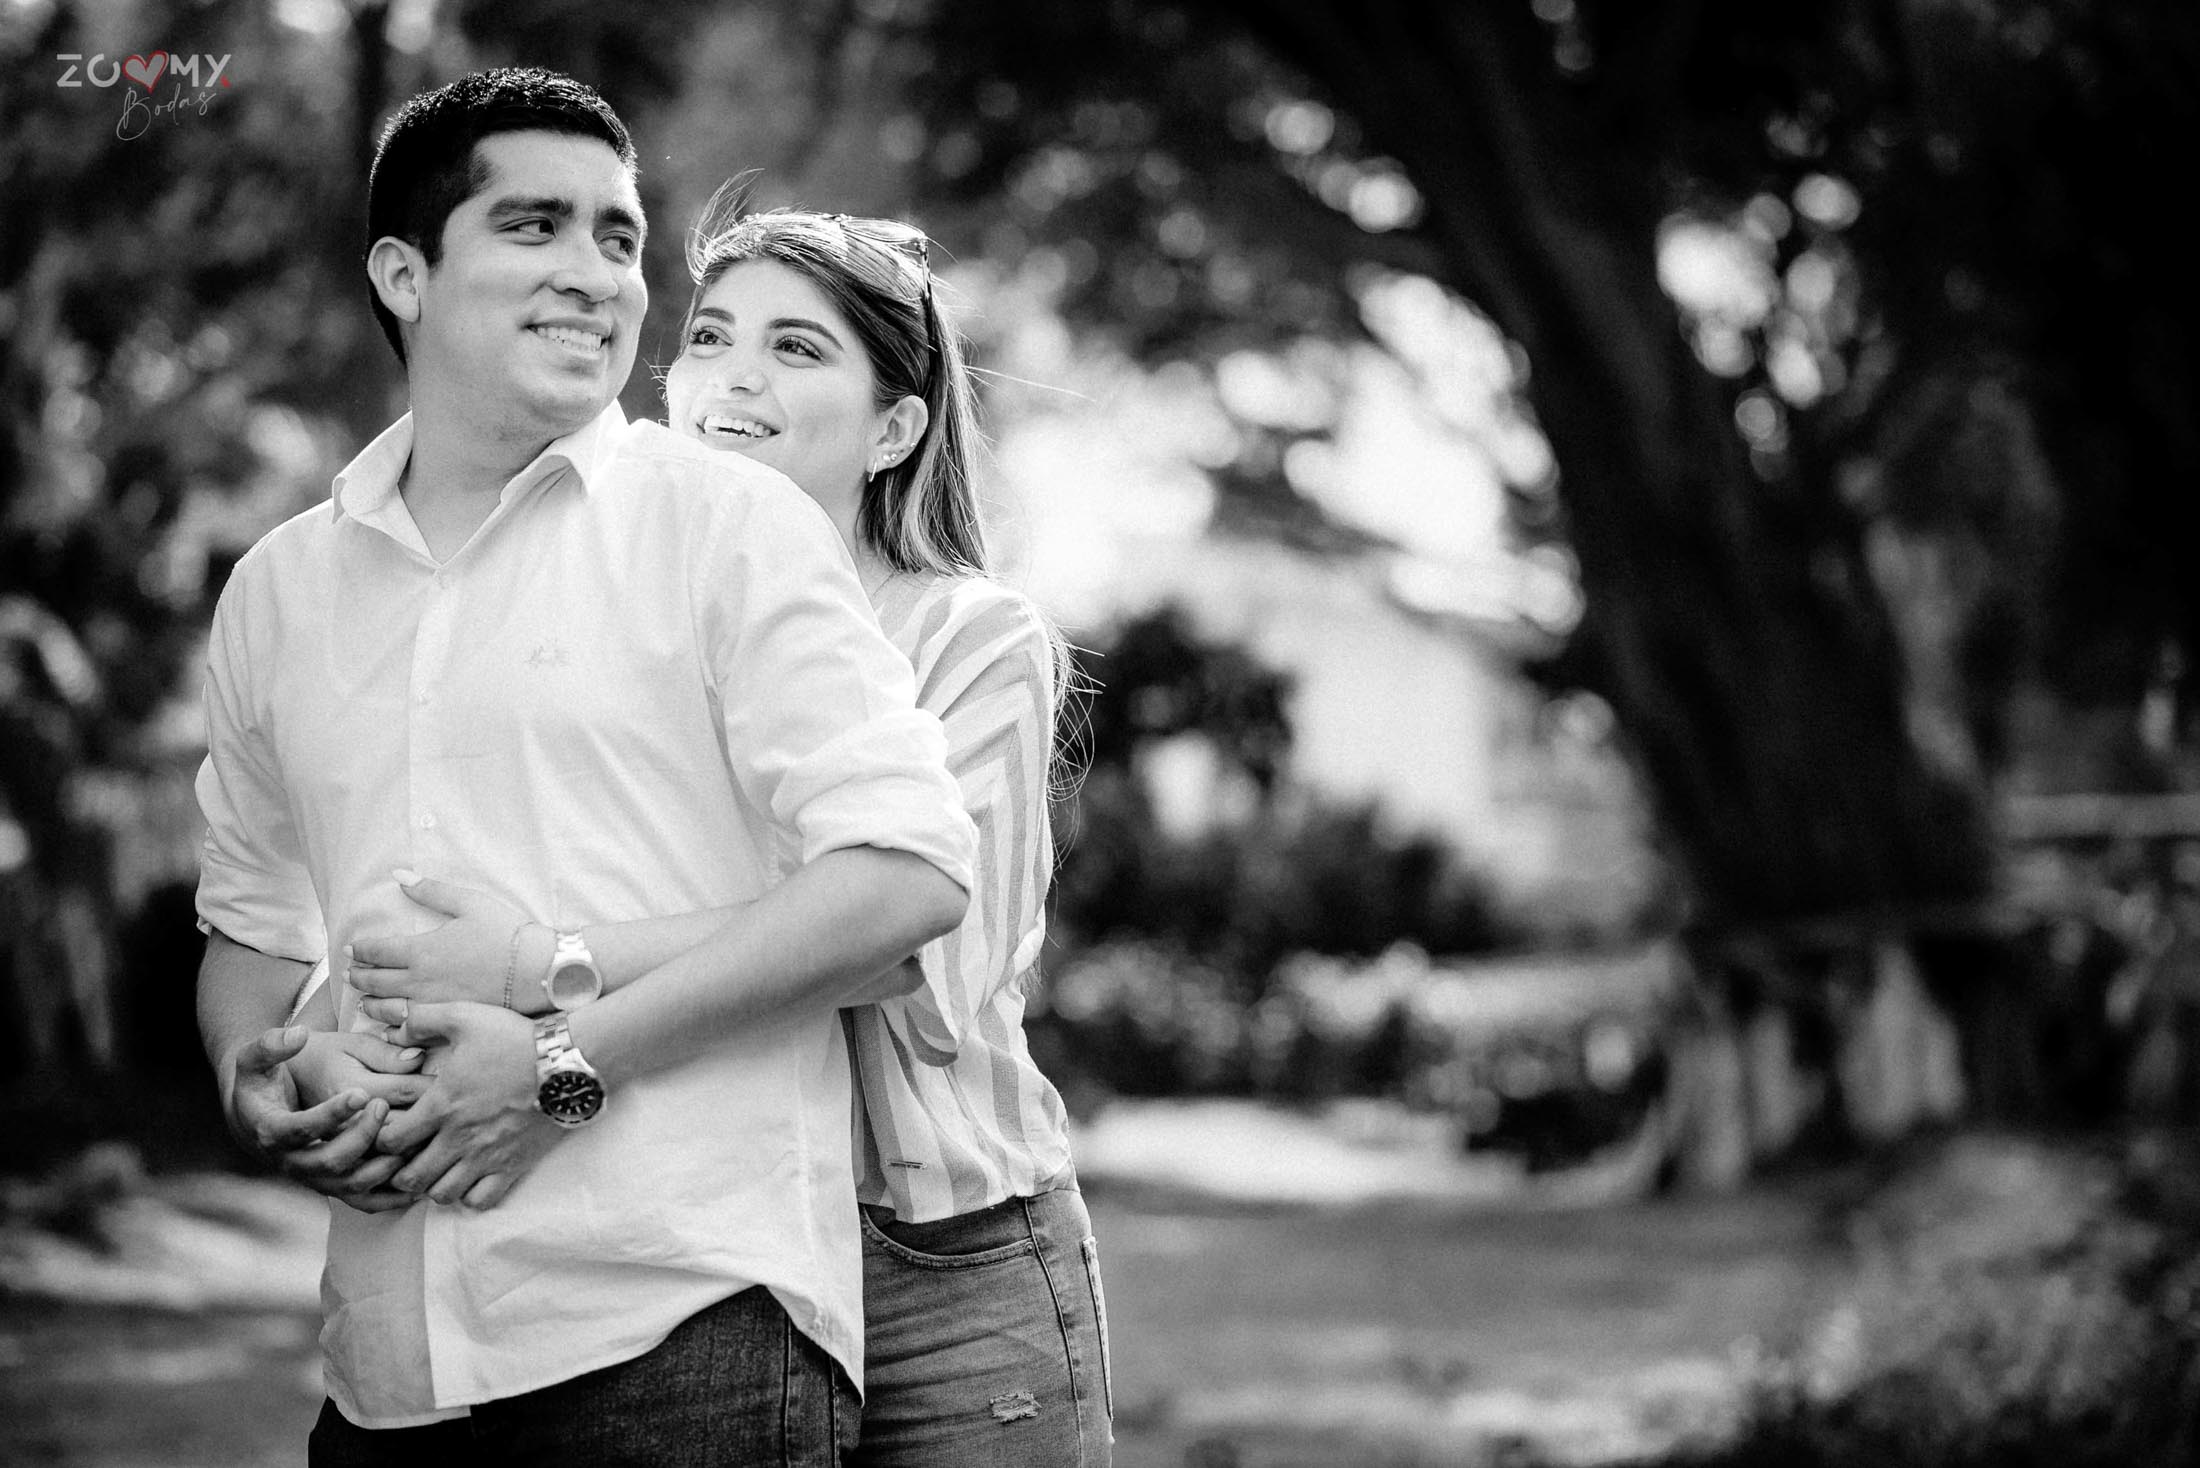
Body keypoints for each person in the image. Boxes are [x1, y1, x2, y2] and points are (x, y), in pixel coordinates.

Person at [194, 68, 978, 1465]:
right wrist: (258, 1074)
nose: (595, 273)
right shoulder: (278, 590)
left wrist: (557, 1069)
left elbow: (904, 877)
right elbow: (252, 927)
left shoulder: (729, 529)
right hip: (384, 1370)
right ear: (404, 274)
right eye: (534, 226)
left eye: (619, 239)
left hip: (680, 1336)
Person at [340, 202, 1116, 1464]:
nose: (732, 376)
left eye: (796, 348)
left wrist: (542, 970)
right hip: (710, 1252)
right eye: (709, 336)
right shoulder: (617, 622)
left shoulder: (970, 639)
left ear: (894, 429)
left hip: (934, 1252)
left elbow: (897, 952)